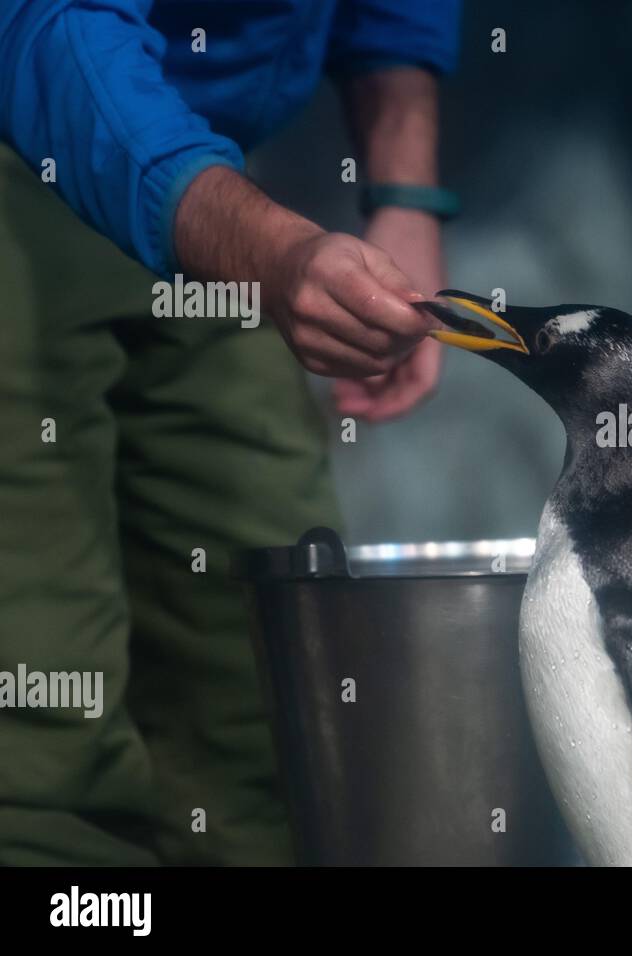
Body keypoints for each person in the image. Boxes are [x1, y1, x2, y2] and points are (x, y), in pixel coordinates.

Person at [0, 0, 461, 865]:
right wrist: (267, 253)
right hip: (40, 121)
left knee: (271, 690)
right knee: (35, 735)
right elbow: (49, 25)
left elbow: (398, 11)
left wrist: (406, 193)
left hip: (198, 161)